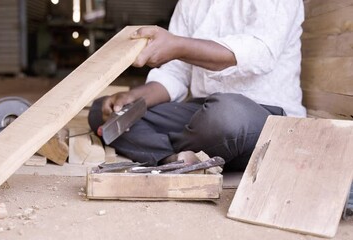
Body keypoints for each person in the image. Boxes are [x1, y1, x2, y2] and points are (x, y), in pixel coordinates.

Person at [88, 0, 306, 170]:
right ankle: (175, 160)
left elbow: (260, 53)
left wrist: (178, 46)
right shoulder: (190, 4)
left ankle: (170, 150)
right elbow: (176, 74)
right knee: (104, 113)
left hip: (263, 116)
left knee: (224, 116)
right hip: (204, 114)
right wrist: (135, 97)